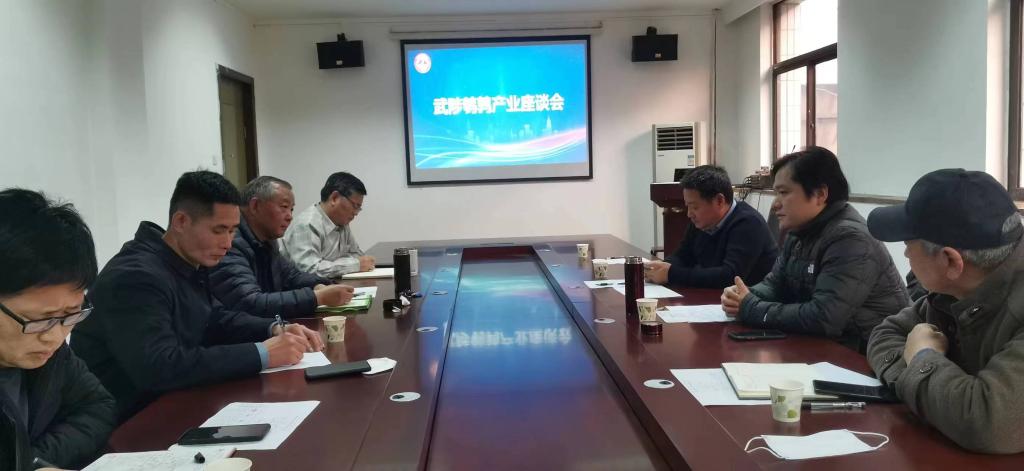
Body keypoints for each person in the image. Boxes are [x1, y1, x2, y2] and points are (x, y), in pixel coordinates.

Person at [72, 171, 323, 421]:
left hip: (176, 399)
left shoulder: (186, 261)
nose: (227, 243)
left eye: (232, 231)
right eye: (219, 230)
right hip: (129, 419)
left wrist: (274, 328)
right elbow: (161, 366)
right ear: (181, 222)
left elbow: (214, 318)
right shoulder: (135, 276)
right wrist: (262, 353)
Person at [867, 169, 1024, 454]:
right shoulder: (955, 290)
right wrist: (928, 384)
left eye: (908, 244)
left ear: (951, 261)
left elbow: (990, 424)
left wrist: (922, 357)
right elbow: (885, 334)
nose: (905, 255)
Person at [720, 147, 908, 352]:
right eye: (775, 193)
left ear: (820, 194)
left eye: (783, 193)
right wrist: (741, 295)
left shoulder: (850, 239)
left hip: (867, 353)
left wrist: (751, 307)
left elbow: (824, 317)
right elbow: (775, 285)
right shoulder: (800, 231)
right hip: (827, 346)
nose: (775, 204)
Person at [0, 189, 116, 470]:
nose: (55, 336)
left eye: (71, 314)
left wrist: (33, 462)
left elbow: (98, 406)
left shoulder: (51, 351)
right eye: (38, 319)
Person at [210, 176, 355, 318]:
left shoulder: (267, 239)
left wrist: (318, 285)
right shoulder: (229, 244)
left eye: (291, 209)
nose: (290, 216)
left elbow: (291, 276)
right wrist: (317, 297)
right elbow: (250, 303)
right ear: (255, 206)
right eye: (284, 207)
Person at [644, 165, 778, 288]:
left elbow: (730, 276)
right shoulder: (702, 221)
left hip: (750, 300)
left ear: (719, 201)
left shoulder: (748, 223)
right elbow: (683, 255)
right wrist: (659, 267)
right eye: (687, 206)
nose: (689, 214)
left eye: (695, 207)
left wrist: (671, 274)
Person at [281, 172, 375, 278]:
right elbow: (309, 270)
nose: (356, 213)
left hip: (330, 284)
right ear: (334, 198)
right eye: (355, 206)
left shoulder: (342, 223)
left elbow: (357, 255)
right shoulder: (306, 224)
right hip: (306, 287)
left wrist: (333, 265)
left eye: (359, 208)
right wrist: (354, 265)